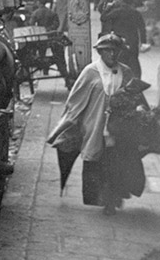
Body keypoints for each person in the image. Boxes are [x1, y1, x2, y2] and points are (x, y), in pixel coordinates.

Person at [46, 33, 149, 214]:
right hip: (95, 126)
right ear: (100, 52)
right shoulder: (90, 72)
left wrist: (141, 111)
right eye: (107, 51)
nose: (112, 54)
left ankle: (111, 199)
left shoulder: (126, 72)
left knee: (116, 162)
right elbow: (75, 102)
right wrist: (63, 127)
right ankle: (101, 197)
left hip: (118, 129)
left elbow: (137, 97)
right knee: (97, 161)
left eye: (115, 50)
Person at [100, 0, 151, 78]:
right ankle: (136, 79)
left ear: (121, 0)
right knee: (134, 60)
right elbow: (142, 28)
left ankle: (120, 79)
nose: (114, 2)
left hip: (119, 39)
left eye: (116, 0)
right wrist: (143, 41)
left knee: (119, 60)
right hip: (133, 39)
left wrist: (109, 7)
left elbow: (103, 18)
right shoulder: (135, 12)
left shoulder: (116, 11)